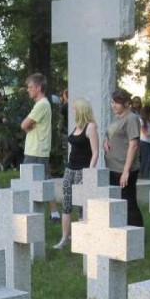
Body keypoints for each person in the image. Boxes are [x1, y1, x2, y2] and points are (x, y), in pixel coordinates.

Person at [53, 98, 99, 249]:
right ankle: (64, 238)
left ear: (81, 109)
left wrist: (89, 173)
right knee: (66, 203)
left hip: (82, 170)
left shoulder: (90, 127)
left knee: (80, 204)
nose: (72, 111)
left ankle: (82, 239)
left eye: (74, 109)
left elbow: (95, 153)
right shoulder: (76, 126)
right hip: (70, 169)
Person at [21, 72, 59, 222]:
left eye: (30, 87)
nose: (28, 90)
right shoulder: (41, 104)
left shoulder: (42, 104)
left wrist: (27, 126)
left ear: (38, 87)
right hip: (36, 149)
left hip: (36, 149)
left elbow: (24, 124)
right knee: (43, 180)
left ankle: (40, 213)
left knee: (35, 181)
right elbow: (27, 125)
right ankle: (54, 212)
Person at [104, 89, 143, 227]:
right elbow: (112, 134)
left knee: (129, 203)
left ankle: (137, 235)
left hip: (124, 169)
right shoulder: (118, 118)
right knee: (116, 203)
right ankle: (120, 234)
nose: (113, 106)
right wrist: (106, 141)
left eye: (117, 103)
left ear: (127, 103)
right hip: (113, 167)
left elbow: (133, 145)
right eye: (112, 102)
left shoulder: (131, 118)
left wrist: (126, 171)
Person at [139, 104, 150, 179]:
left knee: (149, 159)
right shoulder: (141, 120)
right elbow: (145, 133)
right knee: (145, 158)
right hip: (144, 141)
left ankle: (146, 173)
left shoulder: (148, 120)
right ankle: (143, 173)